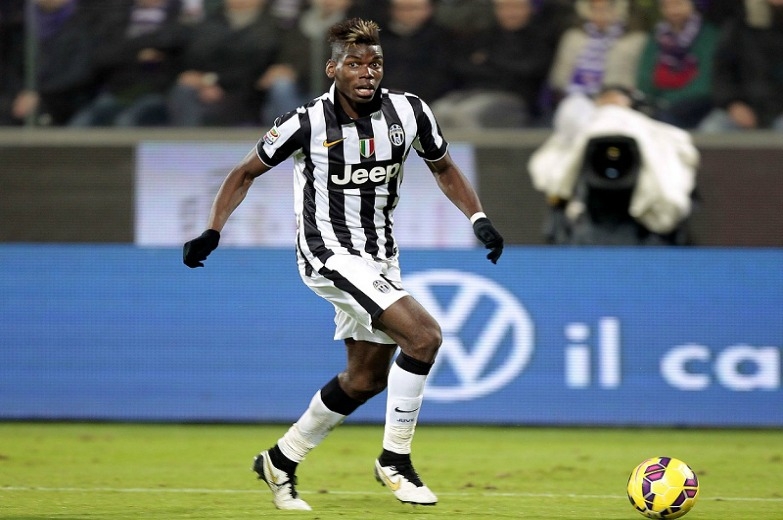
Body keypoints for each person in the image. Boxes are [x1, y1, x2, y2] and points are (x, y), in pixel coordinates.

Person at [182, 18, 504, 511]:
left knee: (366, 379)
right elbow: (244, 173)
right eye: (354, 63)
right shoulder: (305, 122)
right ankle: (395, 460)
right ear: (333, 70)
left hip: (380, 256)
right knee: (424, 337)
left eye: (375, 63)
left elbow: (443, 167)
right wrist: (213, 230)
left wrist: (478, 218)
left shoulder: (410, 111)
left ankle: (280, 460)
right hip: (327, 251)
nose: (366, 72)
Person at [528, 85, 698, 245]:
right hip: (585, 218)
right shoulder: (582, 128)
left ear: (632, 106)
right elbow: (549, 172)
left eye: (617, 101)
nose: (612, 108)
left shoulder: (654, 131)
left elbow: (677, 159)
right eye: (606, 100)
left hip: (647, 234)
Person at [430, 0, 555, 129]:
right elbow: (461, 66)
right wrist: (502, 65)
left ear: (531, 9)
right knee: (437, 110)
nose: (510, 13)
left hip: (513, 97)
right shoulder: (484, 35)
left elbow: (530, 70)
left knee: (465, 113)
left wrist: (488, 60)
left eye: (516, 7)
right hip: (472, 91)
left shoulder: (541, 37)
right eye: (504, 8)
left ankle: (474, 144)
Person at [68, 0, 188, 127]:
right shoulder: (118, 16)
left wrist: (130, 47)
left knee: (126, 122)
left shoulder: (178, 16)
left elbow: (175, 44)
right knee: (81, 123)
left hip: (158, 93)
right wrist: (137, 54)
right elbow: (102, 56)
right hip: (119, 91)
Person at [166, 0, 280, 126]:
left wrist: (212, 80)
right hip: (208, 89)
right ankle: (185, 138)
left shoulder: (276, 26)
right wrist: (204, 82)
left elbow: (260, 64)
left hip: (255, 92)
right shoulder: (207, 24)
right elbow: (192, 58)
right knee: (184, 89)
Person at [698, 0, 783, 132]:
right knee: (710, 132)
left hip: (778, 111)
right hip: (741, 106)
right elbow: (722, 72)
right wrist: (732, 104)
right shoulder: (738, 26)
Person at [635, 0, 719, 129]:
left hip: (696, 104)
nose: (673, 11)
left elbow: (706, 82)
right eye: (666, 6)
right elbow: (646, 76)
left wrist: (670, 100)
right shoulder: (657, 35)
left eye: (678, 4)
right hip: (660, 105)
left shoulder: (710, 35)